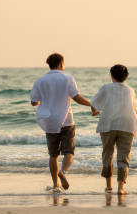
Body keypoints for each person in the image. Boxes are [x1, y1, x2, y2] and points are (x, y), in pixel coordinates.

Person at [30, 53, 91, 192]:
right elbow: (76, 97)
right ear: (61, 64)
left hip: (49, 121)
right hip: (66, 120)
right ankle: (63, 171)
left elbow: (34, 102)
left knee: (53, 155)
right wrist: (91, 104)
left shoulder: (40, 80)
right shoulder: (67, 77)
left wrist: (45, 99)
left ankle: (55, 185)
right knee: (69, 152)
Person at [90, 64, 137, 195]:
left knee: (107, 154)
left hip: (108, 125)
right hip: (127, 125)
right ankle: (120, 188)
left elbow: (94, 102)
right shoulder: (130, 90)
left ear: (111, 75)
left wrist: (94, 111)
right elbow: (135, 109)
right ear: (126, 76)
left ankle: (108, 186)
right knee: (124, 156)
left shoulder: (106, 88)